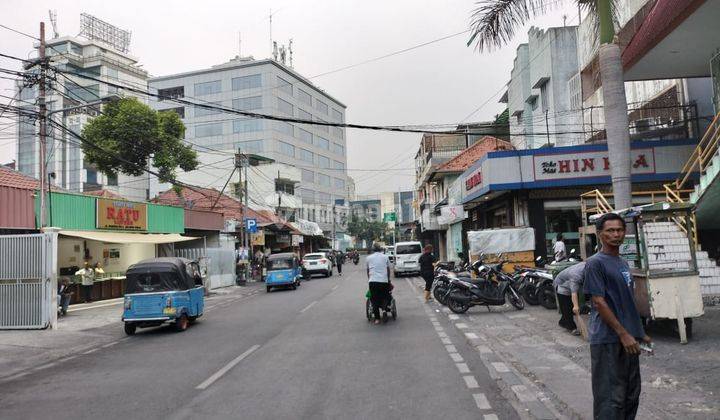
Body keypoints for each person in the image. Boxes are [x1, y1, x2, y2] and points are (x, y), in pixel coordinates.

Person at [584, 212, 651, 419]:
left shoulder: (622, 262)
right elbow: (599, 301)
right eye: (610, 230)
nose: (616, 234)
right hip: (608, 339)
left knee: (631, 395)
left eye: (620, 230)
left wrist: (639, 332)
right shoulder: (595, 263)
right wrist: (623, 334)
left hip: (628, 339)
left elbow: (625, 302)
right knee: (611, 399)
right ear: (600, 234)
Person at [553, 261, 586, 336]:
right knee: (567, 308)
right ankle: (572, 328)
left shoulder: (589, 266)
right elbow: (574, 293)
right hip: (562, 286)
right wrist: (576, 306)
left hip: (571, 285)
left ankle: (562, 322)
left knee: (568, 307)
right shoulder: (576, 275)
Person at [366, 242, 392, 325]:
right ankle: (384, 310)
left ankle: (377, 319)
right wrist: (388, 280)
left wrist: (370, 279)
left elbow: (368, 271)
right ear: (380, 249)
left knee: (374, 299)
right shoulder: (385, 257)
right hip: (383, 281)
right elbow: (388, 270)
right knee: (385, 296)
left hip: (373, 281)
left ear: (373, 250)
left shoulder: (368, 258)